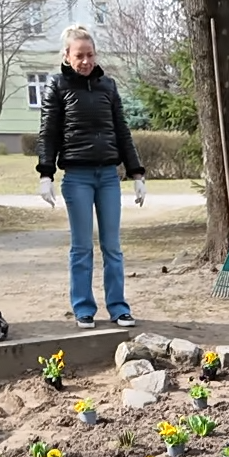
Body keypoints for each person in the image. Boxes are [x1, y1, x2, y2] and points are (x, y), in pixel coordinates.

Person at [37, 25, 146, 330]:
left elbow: (122, 131)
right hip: (77, 177)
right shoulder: (58, 86)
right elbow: (48, 132)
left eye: (90, 55)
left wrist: (136, 172)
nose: (85, 61)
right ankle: (83, 308)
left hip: (109, 176)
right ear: (67, 56)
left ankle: (119, 307)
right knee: (82, 247)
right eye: (79, 56)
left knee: (112, 246)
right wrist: (46, 173)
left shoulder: (108, 86)